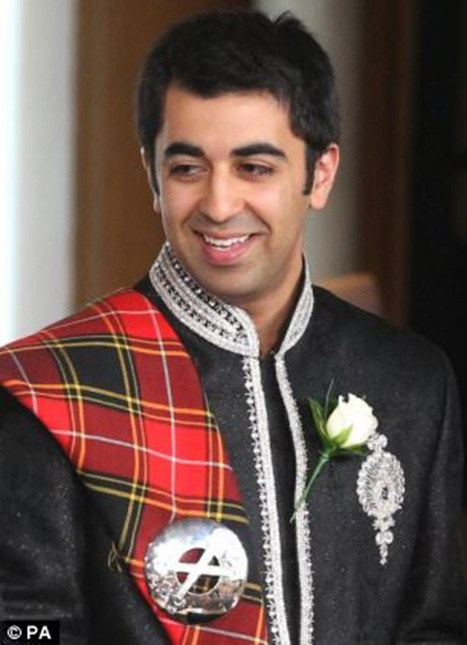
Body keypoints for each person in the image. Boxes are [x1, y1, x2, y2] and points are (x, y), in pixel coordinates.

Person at [0, 9, 465, 645]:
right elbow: (23, 630)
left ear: (320, 173)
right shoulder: (51, 390)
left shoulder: (411, 382)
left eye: (255, 168)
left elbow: (434, 627)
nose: (219, 206)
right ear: (152, 175)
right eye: (187, 168)